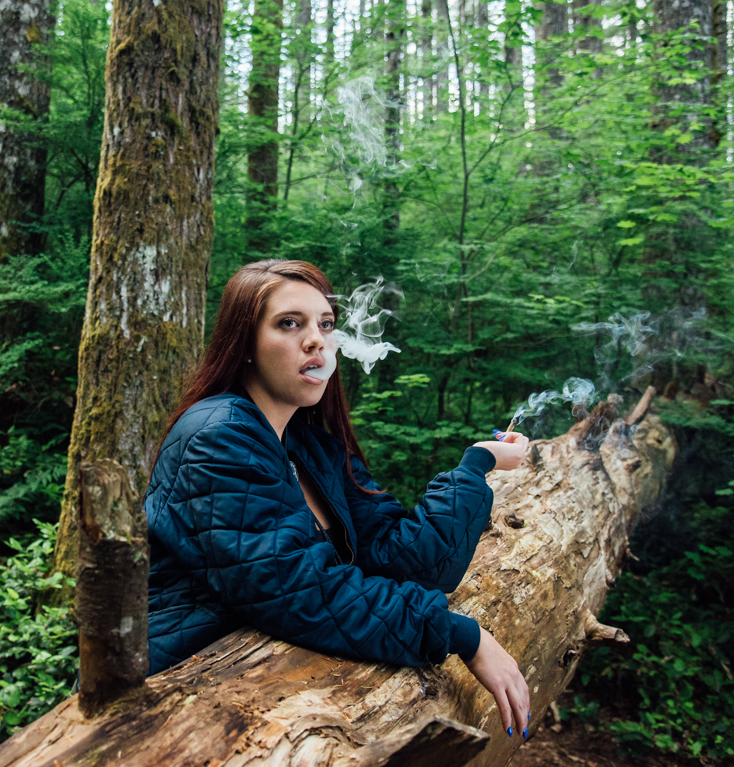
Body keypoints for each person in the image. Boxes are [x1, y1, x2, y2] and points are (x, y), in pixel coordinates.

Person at [144, 260, 533, 740]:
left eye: (325, 324)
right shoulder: (217, 435)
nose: (317, 340)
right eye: (290, 323)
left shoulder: (312, 447)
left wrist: (474, 466)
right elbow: (296, 589)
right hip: (179, 702)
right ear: (244, 344)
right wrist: (460, 634)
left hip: (274, 695)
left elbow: (414, 564)